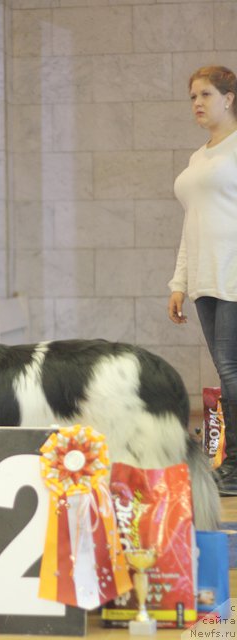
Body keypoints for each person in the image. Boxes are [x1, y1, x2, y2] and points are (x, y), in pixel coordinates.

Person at [168, 65, 237, 496]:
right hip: (205, 281)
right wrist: (179, 282)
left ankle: (233, 466)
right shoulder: (199, 158)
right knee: (227, 372)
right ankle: (230, 465)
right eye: (192, 96)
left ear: (229, 98)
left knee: (231, 372)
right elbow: (190, 226)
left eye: (206, 94)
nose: (197, 103)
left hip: (234, 275)